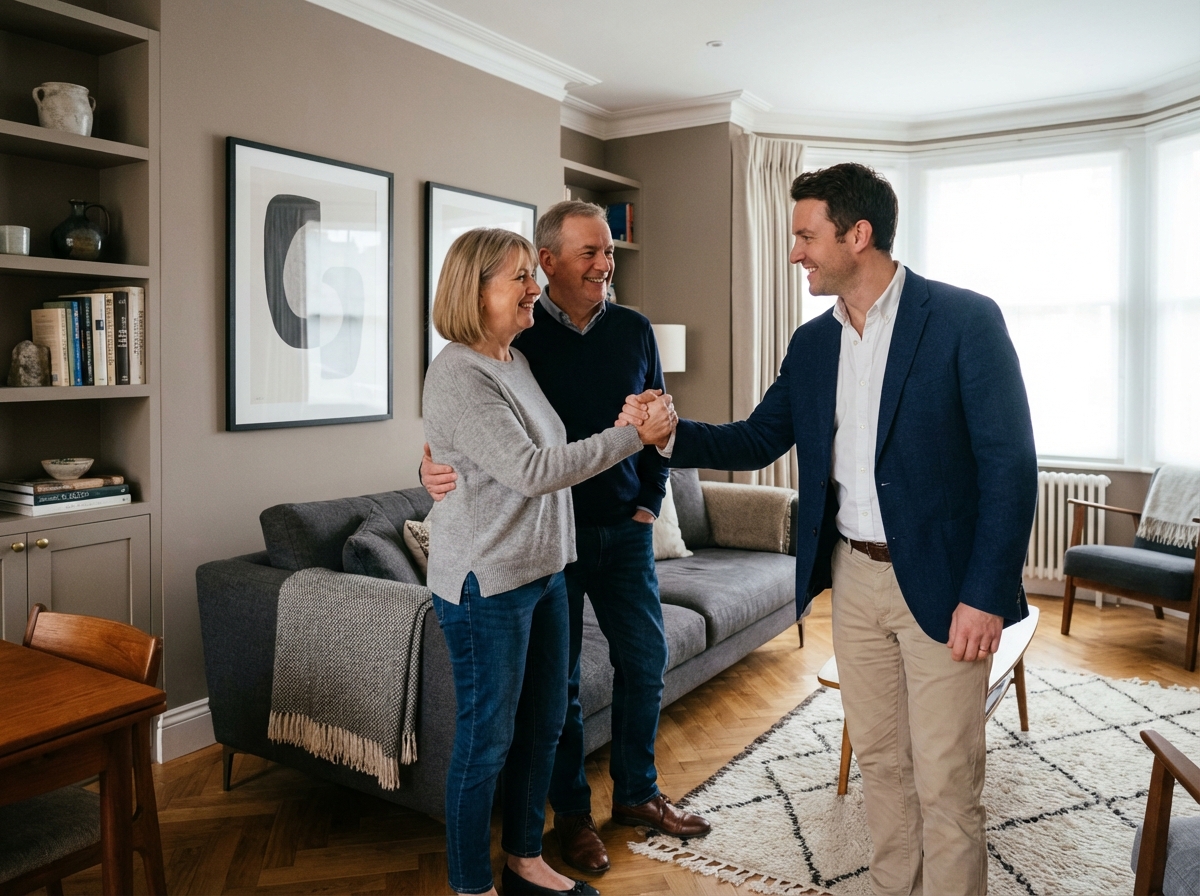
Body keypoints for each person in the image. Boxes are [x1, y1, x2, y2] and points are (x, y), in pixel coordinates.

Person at [621, 164, 1037, 896]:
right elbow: (757, 438)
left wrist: (986, 595)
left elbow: (1010, 465)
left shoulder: (964, 320)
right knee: (881, 761)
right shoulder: (814, 344)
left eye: (806, 236)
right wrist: (670, 433)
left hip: (945, 585)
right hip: (853, 577)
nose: (795, 253)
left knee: (946, 779)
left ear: (858, 235)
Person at [422, 201, 710, 877]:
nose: (606, 265)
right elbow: (499, 451)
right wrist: (430, 464)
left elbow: (658, 419)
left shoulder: (607, 335)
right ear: (548, 262)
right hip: (536, 550)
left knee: (638, 664)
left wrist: (650, 502)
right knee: (554, 700)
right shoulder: (519, 344)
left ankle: (634, 794)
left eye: (609, 251)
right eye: (591, 252)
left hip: (604, 538)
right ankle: (571, 821)